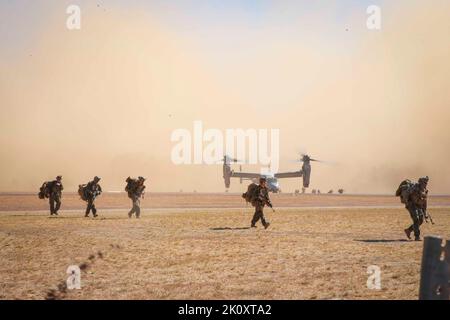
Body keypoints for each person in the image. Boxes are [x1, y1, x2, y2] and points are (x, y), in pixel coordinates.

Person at [404, 176, 429, 241]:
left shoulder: (425, 191)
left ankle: (408, 230)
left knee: (420, 220)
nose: (425, 184)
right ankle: (417, 236)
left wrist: (425, 213)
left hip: (418, 206)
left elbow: (425, 202)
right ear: (420, 182)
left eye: (426, 183)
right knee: (416, 219)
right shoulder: (414, 188)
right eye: (424, 182)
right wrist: (407, 202)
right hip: (411, 205)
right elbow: (407, 194)